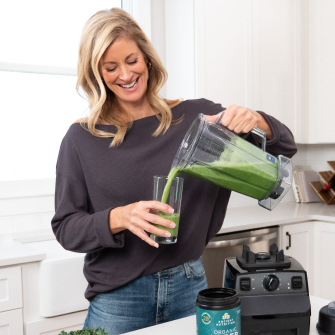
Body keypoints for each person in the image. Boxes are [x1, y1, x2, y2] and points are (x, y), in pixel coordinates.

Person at [51, 7, 297, 335]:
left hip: (189, 285)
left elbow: (286, 146)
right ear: (96, 73)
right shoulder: (82, 138)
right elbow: (66, 228)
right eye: (110, 67)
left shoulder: (199, 119)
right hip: (118, 300)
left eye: (132, 60)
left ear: (148, 59)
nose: (125, 75)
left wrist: (258, 119)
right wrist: (119, 217)